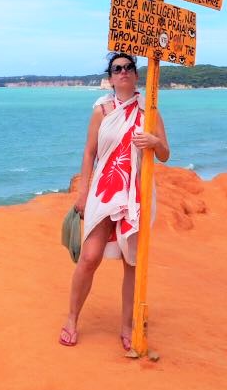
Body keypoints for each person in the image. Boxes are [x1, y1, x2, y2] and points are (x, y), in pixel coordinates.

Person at [59, 52, 170, 350]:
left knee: (131, 263)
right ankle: (71, 318)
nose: (122, 72)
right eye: (116, 69)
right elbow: (89, 152)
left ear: (136, 74)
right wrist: (82, 193)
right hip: (104, 192)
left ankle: (126, 326)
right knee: (90, 257)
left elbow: (165, 154)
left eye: (128, 68)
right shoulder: (102, 110)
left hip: (136, 194)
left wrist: (155, 142)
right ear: (110, 77)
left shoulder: (150, 111)